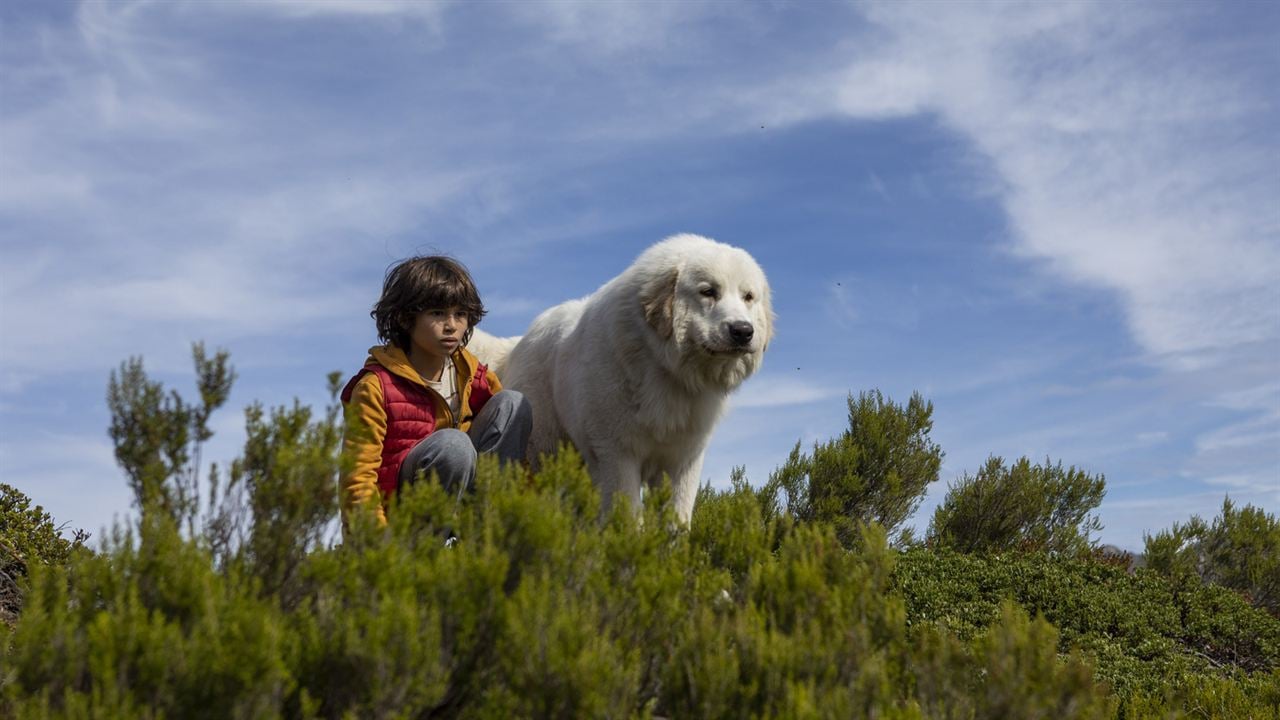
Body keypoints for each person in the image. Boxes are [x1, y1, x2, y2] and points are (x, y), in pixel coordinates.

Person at [340, 255, 531, 530]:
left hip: (466, 504)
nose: (451, 325)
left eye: (461, 314)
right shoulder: (375, 387)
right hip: (406, 520)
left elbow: (514, 455)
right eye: (437, 313)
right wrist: (377, 545)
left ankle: (492, 532)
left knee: (513, 404)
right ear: (406, 319)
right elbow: (357, 477)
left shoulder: (473, 375)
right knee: (454, 446)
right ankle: (433, 548)